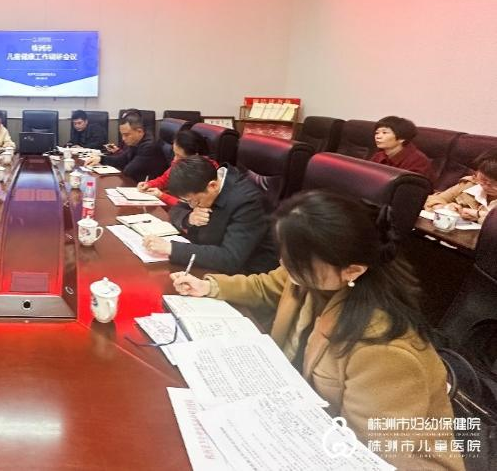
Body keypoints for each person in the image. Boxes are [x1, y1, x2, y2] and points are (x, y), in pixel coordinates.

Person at [170, 191, 461, 471]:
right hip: (298, 417)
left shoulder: (383, 349)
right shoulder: (315, 270)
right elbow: (267, 285)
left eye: (295, 261)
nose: (284, 265)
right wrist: (209, 286)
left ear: (353, 271)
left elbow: (370, 452)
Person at [143, 156, 276, 274]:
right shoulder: (200, 184)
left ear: (212, 186)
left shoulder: (247, 202)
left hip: (245, 275)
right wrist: (188, 218)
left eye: (195, 201)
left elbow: (230, 259)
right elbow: (176, 209)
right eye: (188, 201)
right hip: (207, 259)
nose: (192, 206)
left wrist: (171, 248)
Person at [83, 110, 168, 181]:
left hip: (149, 188)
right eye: (122, 135)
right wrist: (100, 159)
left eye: (126, 135)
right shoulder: (136, 141)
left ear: (139, 131)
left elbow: (128, 171)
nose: (123, 139)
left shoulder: (149, 147)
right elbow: (122, 159)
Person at [137, 125, 208, 207]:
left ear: (194, 156)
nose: (174, 159)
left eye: (179, 156)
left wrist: (162, 196)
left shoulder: (205, 172)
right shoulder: (179, 163)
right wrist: (149, 184)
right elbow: (165, 179)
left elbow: (190, 206)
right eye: (174, 154)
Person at [425, 147, 497, 224]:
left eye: (494, 184)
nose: (486, 186)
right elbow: (433, 199)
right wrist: (445, 208)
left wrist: (479, 215)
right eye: (483, 179)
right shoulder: (470, 184)